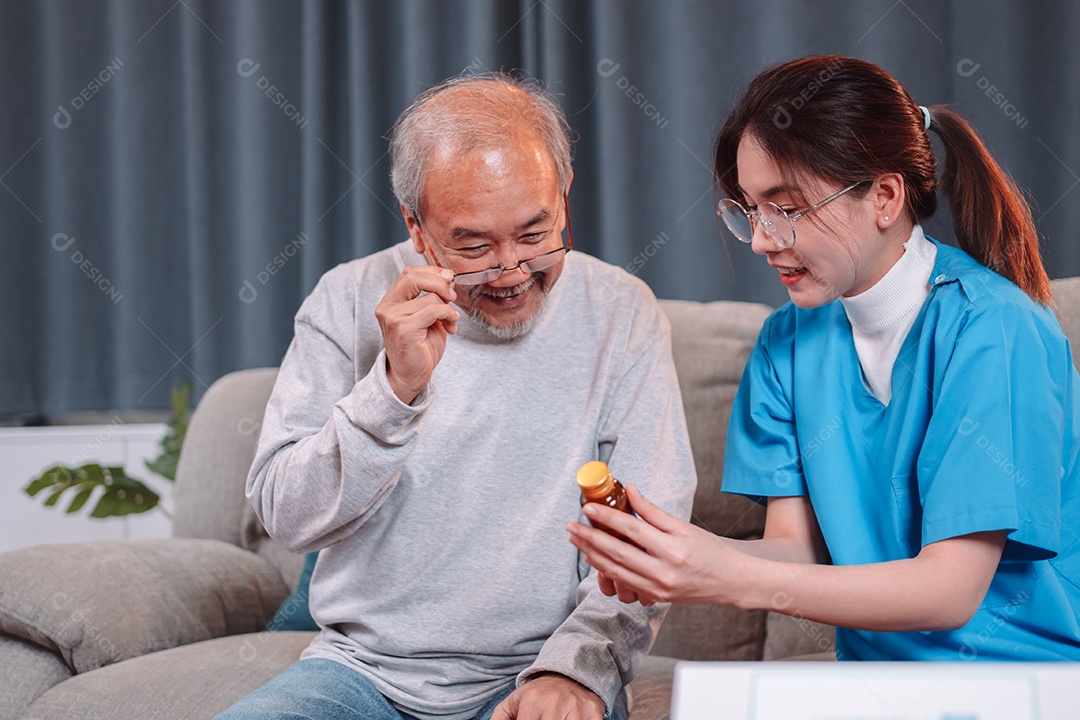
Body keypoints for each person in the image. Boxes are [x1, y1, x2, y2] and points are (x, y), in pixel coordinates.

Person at [568, 55, 1080, 661]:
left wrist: (726, 576)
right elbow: (795, 550)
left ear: (885, 197)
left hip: (1013, 678)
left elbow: (950, 589)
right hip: (870, 679)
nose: (761, 239)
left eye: (785, 209)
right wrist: (677, 555)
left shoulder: (993, 328)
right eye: (749, 210)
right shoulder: (786, 343)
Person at [219, 72, 696, 720]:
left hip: (536, 673)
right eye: (473, 246)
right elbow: (287, 516)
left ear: (564, 196)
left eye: (534, 233)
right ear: (417, 228)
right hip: (360, 677)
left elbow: (645, 535)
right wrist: (393, 390)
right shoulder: (347, 300)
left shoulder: (622, 314)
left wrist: (578, 671)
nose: (510, 272)